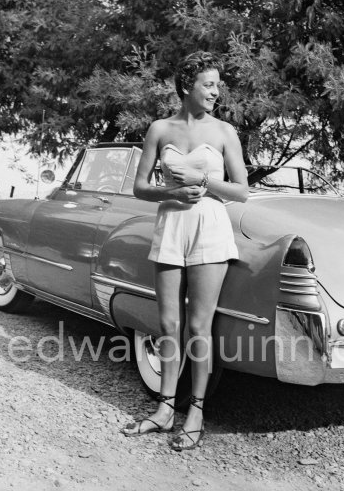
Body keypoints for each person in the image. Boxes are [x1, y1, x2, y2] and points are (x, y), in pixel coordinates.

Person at [121, 51, 248, 451]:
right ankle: (164, 410)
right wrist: (172, 191)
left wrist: (205, 182)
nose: (216, 91)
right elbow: (140, 187)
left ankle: (195, 413)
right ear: (187, 85)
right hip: (171, 225)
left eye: (217, 85)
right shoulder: (160, 129)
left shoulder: (225, 132)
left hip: (210, 228)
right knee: (168, 325)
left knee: (198, 328)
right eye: (209, 84)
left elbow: (242, 191)